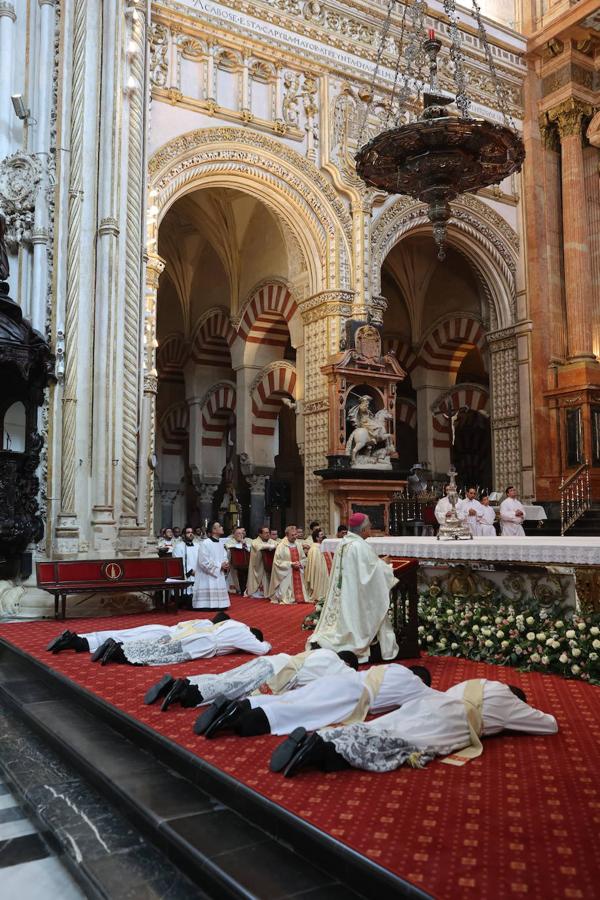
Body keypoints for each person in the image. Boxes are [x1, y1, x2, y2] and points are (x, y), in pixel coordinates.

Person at [271, 678, 558, 777]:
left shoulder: (473, 682)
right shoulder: (509, 701)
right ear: (514, 694)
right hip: (453, 723)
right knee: (398, 741)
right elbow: (549, 725)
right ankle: (322, 752)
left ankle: (321, 737)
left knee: (385, 724)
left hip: (431, 703)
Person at [197, 663, 433, 739]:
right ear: (422, 680)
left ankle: (236, 707)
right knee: (299, 711)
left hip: (337, 680)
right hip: (352, 696)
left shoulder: (390, 667)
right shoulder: (417, 685)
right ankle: (234, 723)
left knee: (290, 698)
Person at [147, 646, 359, 711]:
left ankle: (179, 683)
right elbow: (355, 682)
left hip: (274, 660)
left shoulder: (323, 651)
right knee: (232, 687)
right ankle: (186, 691)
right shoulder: (343, 668)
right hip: (276, 674)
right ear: (347, 663)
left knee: (226, 676)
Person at [307, 513, 398, 663]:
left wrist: (378, 563)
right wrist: (386, 566)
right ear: (362, 530)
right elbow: (370, 574)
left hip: (345, 591)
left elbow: (362, 569)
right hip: (354, 593)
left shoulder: (344, 543)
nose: (370, 529)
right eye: (369, 527)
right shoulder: (359, 546)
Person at [47, 615, 270, 666]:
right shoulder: (242, 632)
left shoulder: (213, 623)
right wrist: (267, 644)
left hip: (170, 629)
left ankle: (79, 641)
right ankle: (116, 651)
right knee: (158, 653)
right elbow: (261, 650)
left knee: (128, 632)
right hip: (195, 641)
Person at [193, 521, 230, 609]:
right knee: (208, 604)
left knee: (222, 607)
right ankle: (205, 605)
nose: (222, 527)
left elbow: (224, 556)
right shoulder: (206, 543)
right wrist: (219, 566)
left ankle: (221, 604)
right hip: (207, 576)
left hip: (219, 573)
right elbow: (203, 562)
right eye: (219, 526)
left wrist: (225, 563)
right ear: (214, 530)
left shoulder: (221, 543)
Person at [269, 524, 307, 604]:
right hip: (286, 573)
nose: (295, 537)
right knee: (286, 596)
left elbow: (304, 558)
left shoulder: (298, 544)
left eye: (295, 534)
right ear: (286, 535)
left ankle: (300, 597)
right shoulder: (281, 546)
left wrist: (300, 563)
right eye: (292, 535)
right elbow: (277, 562)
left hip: (298, 571)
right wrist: (290, 564)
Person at [303, 528, 333, 605]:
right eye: (321, 535)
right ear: (317, 538)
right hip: (319, 572)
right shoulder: (314, 549)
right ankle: (319, 594)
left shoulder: (323, 546)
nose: (323, 536)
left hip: (326, 570)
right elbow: (314, 565)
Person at [246, 526, 276, 598]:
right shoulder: (255, 542)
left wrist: (272, 545)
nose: (268, 534)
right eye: (265, 533)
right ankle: (257, 592)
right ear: (260, 534)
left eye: (268, 532)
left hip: (267, 564)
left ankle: (268, 592)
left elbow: (278, 544)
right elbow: (260, 546)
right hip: (258, 565)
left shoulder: (270, 541)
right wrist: (271, 546)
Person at [172, 525, 197, 603]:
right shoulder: (179, 547)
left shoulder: (198, 546)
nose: (191, 534)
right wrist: (190, 571)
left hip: (198, 573)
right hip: (187, 574)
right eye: (188, 532)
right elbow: (179, 562)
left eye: (192, 532)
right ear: (183, 535)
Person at [224, 526, 252, 594]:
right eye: (238, 533)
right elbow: (229, 547)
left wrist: (244, 544)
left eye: (242, 533)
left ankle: (245, 590)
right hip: (233, 565)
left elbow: (250, 549)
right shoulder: (230, 541)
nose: (240, 535)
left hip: (246, 563)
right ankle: (238, 589)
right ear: (234, 535)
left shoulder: (247, 541)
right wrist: (239, 545)